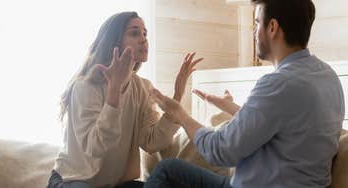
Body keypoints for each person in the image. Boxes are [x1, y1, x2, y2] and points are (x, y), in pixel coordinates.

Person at [144, 0, 345, 188]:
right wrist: (234, 109)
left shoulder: (278, 83)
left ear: (272, 27)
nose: (254, 32)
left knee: (166, 170)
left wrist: (180, 114)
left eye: (257, 23)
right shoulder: (327, 76)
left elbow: (220, 151)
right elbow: (288, 127)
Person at [47, 11, 203, 188]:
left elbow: (152, 142)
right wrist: (114, 91)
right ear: (114, 42)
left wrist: (177, 95)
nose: (144, 39)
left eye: (145, 33)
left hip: (117, 184)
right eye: (134, 33)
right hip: (74, 179)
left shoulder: (142, 87)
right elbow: (95, 149)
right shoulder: (85, 86)